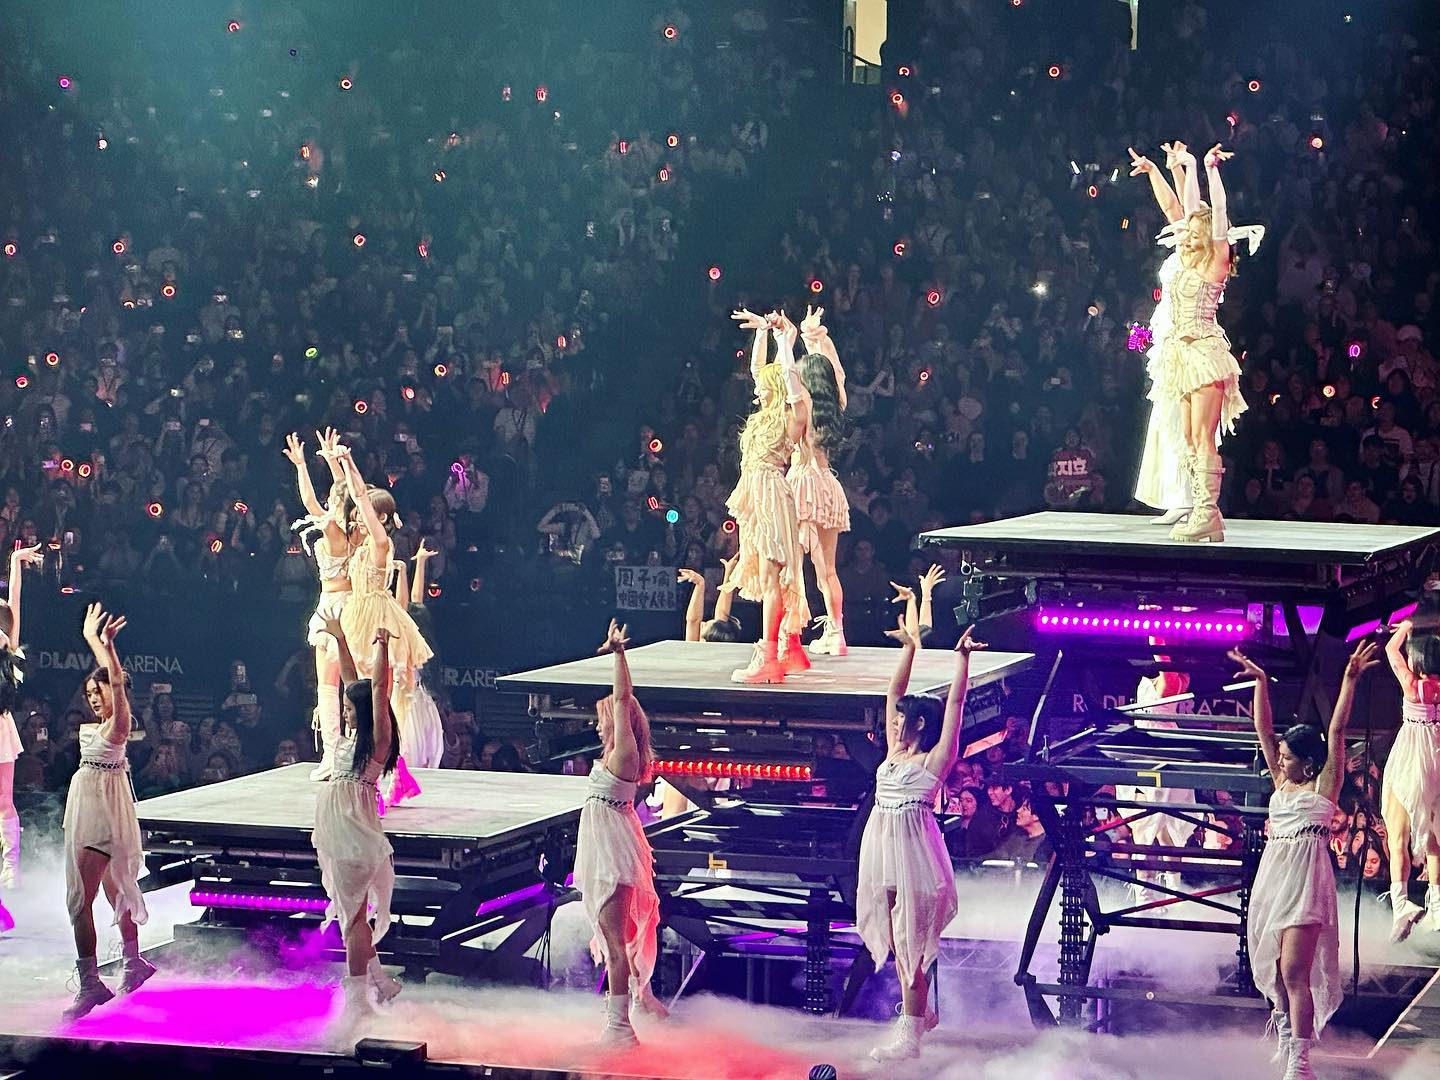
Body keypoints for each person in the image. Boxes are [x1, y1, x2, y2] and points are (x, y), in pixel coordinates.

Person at [1232, 640, 1378, 1080]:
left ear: (1309, 764)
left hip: (1305, 884)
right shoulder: (1282, 783)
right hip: (1274, 881)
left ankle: (1301, 1062)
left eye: (1287, 757)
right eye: (1280, 756)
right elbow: (1263, 729)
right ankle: (1285, 1036)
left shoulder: (1323, 787)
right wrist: (1261, 682)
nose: (1279, 760)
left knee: (1295, 972)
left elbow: (1337, 731)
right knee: (1277, 975)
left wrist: (1350, 679)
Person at [860, 617, 985, 1062]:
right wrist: (909, 649)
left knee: (911, 945)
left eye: (903, 720)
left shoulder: (935, 760)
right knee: (898, 942)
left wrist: (961, 660)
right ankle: (921, 1013)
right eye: (895, 720)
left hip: (914, 854)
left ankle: (909, 1037)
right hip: (883, 852)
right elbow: (891, 694)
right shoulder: (894, 753)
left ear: (919, 724)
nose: (894, 724)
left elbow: (955, 705)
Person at [1141, 142, 1258, 542]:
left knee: (1204, 437)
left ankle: (1207, 513)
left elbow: (1216, 214)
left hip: (1205, 355)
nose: (1187, 237)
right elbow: (1185, 209)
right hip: (1182, 358)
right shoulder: (1188, 257)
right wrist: (1180, 168)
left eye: (1194, 234)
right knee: (1190, 438)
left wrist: (1209, 169)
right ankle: (1205, 513)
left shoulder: (1216, 259)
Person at [575, 620, 666, 1044]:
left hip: (614, 854)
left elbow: (623, 697)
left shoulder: (625, 752)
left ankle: (619, 1027)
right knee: (618, 941)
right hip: (606, 849)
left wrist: (618, 654)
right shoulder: (613, 753)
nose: (597, 727)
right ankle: (639, 1004)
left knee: (615, 944)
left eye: (602, 720)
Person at [62, 603, 153, 1021]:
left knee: (79, 900)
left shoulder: (119, 725)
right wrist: (90, 638)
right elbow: (107, 677)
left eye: (98, 693)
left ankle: (90, 983)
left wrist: (109, 648)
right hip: (94, 807)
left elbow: (115, 680)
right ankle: (133, 963)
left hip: (100, 814)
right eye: (89, 694)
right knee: (116, 890)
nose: (94, 698)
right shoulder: (103, 725)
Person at [333, 443, 434, 808]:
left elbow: (360, 497)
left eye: (367, 514)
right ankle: (388, 775)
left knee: (382, 702)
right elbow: (348, 498)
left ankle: (386, 776)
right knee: (362, 698)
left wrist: (350, 462)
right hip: (358, 613)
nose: (359, 517)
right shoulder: (362, 545)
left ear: (382, 517)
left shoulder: (381, 543)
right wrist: (340, 466)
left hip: (376, 616)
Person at [311, 621, 401, 1019]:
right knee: (352, 914)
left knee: (353, 920)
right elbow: (355, 683)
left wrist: (381, 645)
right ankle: (380, 982)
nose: (344, 713)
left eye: (349, 710)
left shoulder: (376, 742)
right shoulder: (356, 738)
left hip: (352, 832)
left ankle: (358, 1001)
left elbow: (377, 690)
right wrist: (340, 638)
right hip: (338, 829)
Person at [722, 309, 811, 683]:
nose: (758, 385)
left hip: (772, 493)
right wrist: (761, 332)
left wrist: (783, 341)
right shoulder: (763, 415)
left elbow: (787, 377)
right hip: (756, 494)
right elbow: (759, 371)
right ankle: (786, 647)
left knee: (774, 575)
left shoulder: (794, 414)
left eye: (766, 384)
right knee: (766, 572)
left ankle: (769, 654)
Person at [1128, 143, 1193, 524]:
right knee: (1166, 418)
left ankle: (1188, 496)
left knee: (1182, 420)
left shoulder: (1202, 254)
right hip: (1169, 343)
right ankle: (1175, 495)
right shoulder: (1182, 247)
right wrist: (1156, 171)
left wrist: (1182, 169)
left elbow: (1185, 207)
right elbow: (1172, 208)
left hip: (1189, 343)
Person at [285, 429, 353, 782]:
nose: (328, 502)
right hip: (346, 604)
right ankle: (345, 751)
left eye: (333, 500)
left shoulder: (335, 531)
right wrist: (333, 461)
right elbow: (344, 491)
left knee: (328, 686)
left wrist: (301, 466)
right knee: (348, 684)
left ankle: (334, 753)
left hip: (335, 606)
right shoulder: (351, 530)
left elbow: (311, 503)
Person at [789, 305, 853, 657]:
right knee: (827, 569)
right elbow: (836, 370)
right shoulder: (835, 401)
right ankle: (836, 632)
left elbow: (790, 376)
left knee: (790, 565)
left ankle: (787, 632)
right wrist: (816, 337)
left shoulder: (802, 405)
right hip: (828, 485)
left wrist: (793, 338)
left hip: (802, 485)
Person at [1381, 607, 1440, 940]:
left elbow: (1391, 650)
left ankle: (1402, 904)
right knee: (1434, 839)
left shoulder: (1411, 685)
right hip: (1438, 760)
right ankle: (1437, 910)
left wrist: (1406, 626)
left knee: (1398, 835)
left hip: (1412, 760)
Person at [1116, 666, 1196, 903]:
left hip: (1157, 749)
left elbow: (1163, 658)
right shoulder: (1176, 677)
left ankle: (1158, 893)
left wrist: (1158, 644)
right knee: (1154, 827)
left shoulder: (1172, 679)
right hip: (1156, 746)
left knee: (1155, 826)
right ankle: (1158, 892)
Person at [0, 543, 44, 928]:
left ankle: (10, 868)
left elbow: (14, 603)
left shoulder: (6, 641)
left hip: (0, 725)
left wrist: (16, 562)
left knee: (3, 801)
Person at [388, 542, 445, 774]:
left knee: (412, 747)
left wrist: (403, 571)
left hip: (409, 698)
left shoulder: (408, 641)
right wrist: (420, 562)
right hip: (411, 696)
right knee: (414, 747)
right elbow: (415, 600)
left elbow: (405, 606)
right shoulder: (416, 639)